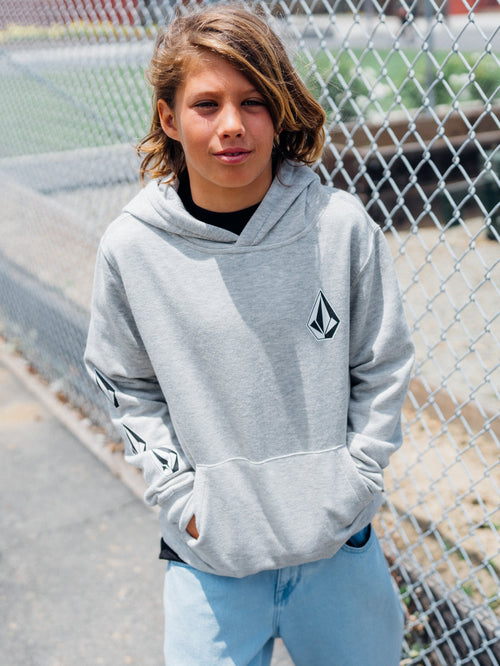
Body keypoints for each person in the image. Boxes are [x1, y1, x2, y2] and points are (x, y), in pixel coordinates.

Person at [84, 3, 414, 664]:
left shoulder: (340, 227)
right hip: (209, 559)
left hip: (338, 550)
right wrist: (185, 502)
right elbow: (126, 384)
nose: (232, 124)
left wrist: (353, 482)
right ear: (169, 119)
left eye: (253, 101)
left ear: (280, 111)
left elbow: (382, 364)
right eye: (207, 105)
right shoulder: (132, 248)